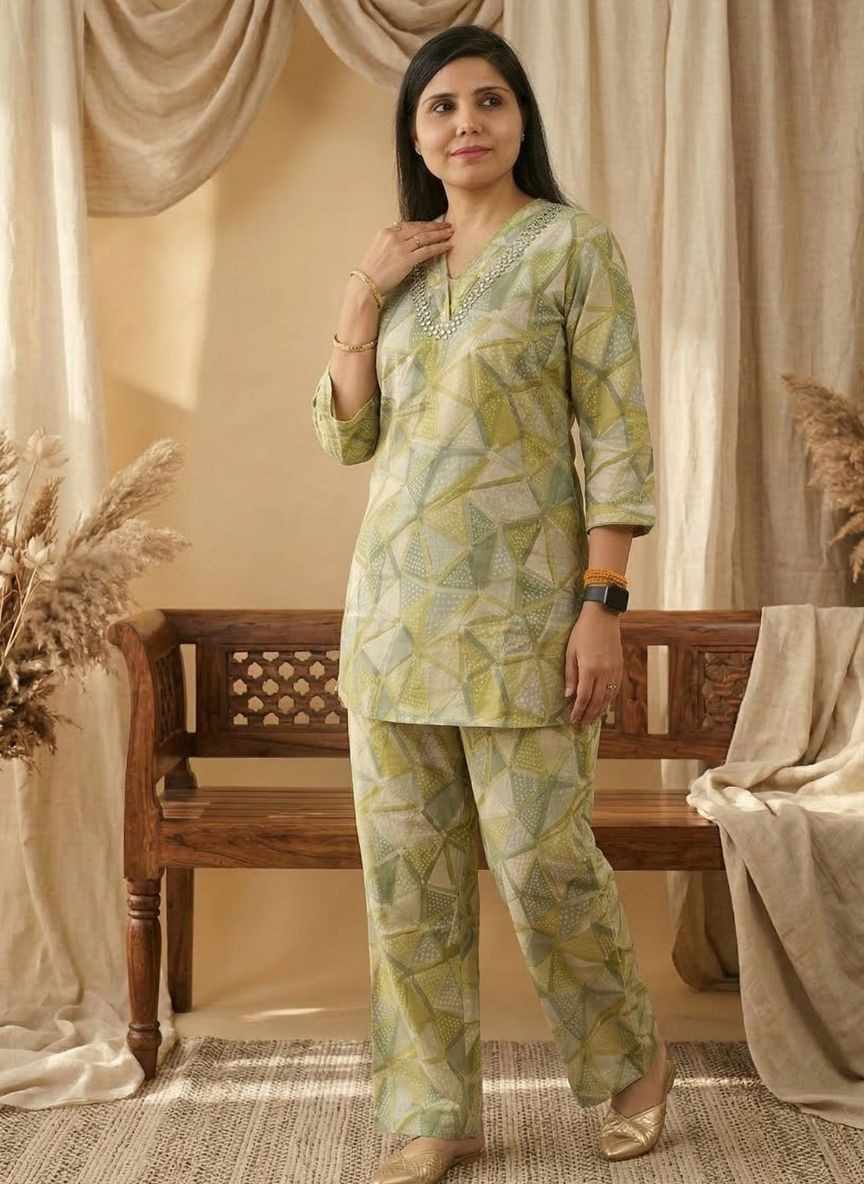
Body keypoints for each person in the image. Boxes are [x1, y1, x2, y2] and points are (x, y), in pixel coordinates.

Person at [311, 24, 675, 1184]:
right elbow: (347, 432)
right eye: (441, 107)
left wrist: (603, 600)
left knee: (544, 864)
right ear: (416, 134)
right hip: (392, 622)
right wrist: (363, 290)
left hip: (525, 621)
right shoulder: (404, 268)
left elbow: (615, 432)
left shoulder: (571, 246)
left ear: (521, 120)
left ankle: (632, 1065)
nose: (466, 122)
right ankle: (434, 1110)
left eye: (488, 101)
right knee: (408, 884)